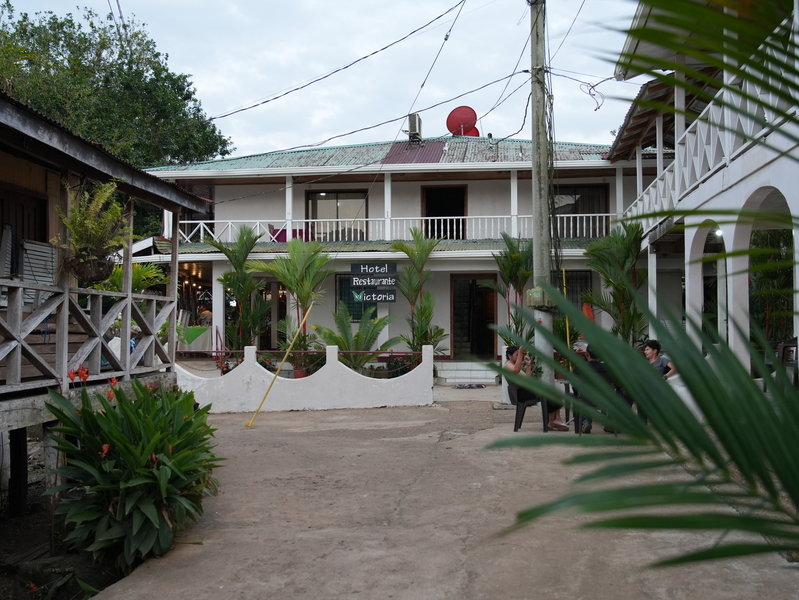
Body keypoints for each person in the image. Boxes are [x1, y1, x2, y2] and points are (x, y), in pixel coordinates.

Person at [504, 345, 568, 432]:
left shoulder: (515, 366)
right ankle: (553, 421)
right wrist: (521, 353)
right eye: (517, 355)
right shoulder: (507, 365)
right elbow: (516, 370)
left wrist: (528, 365)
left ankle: (554, 419)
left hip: (525, 391)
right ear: (509, 356)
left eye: (519, 354)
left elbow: (527, 379)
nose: (520, 356)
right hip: (521, 394)